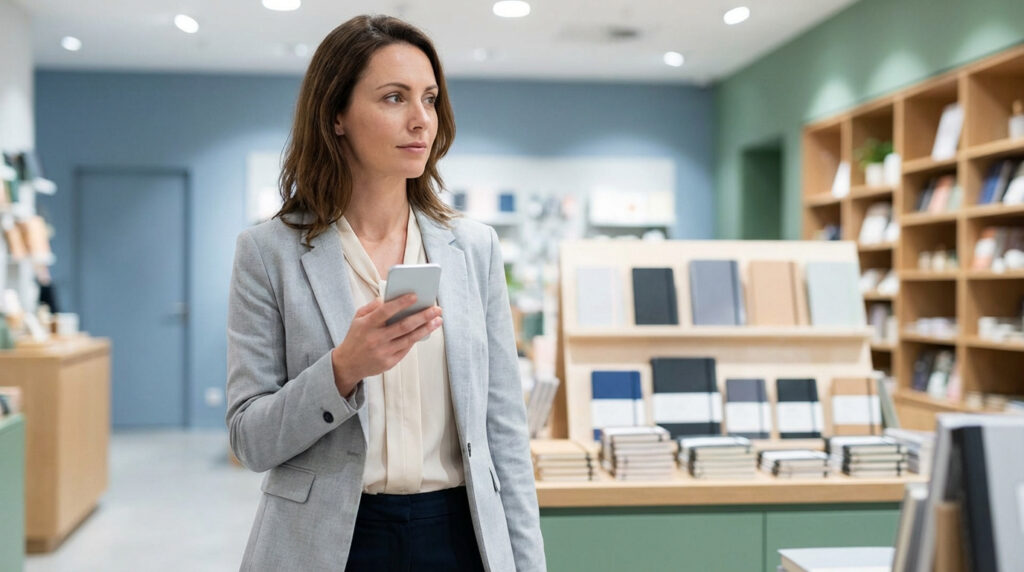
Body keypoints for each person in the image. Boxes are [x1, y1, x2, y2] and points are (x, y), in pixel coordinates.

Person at [225, 14, 546, 572]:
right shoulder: (267, 252)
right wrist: (343, 368)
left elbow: (505, 436)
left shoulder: (474, 248)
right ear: (337, 116)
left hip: (459, 534)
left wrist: (526, 562)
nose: (422, 120)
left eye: (430, 98)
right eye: (394, 98)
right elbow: (250, 440)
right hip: (329, 540)